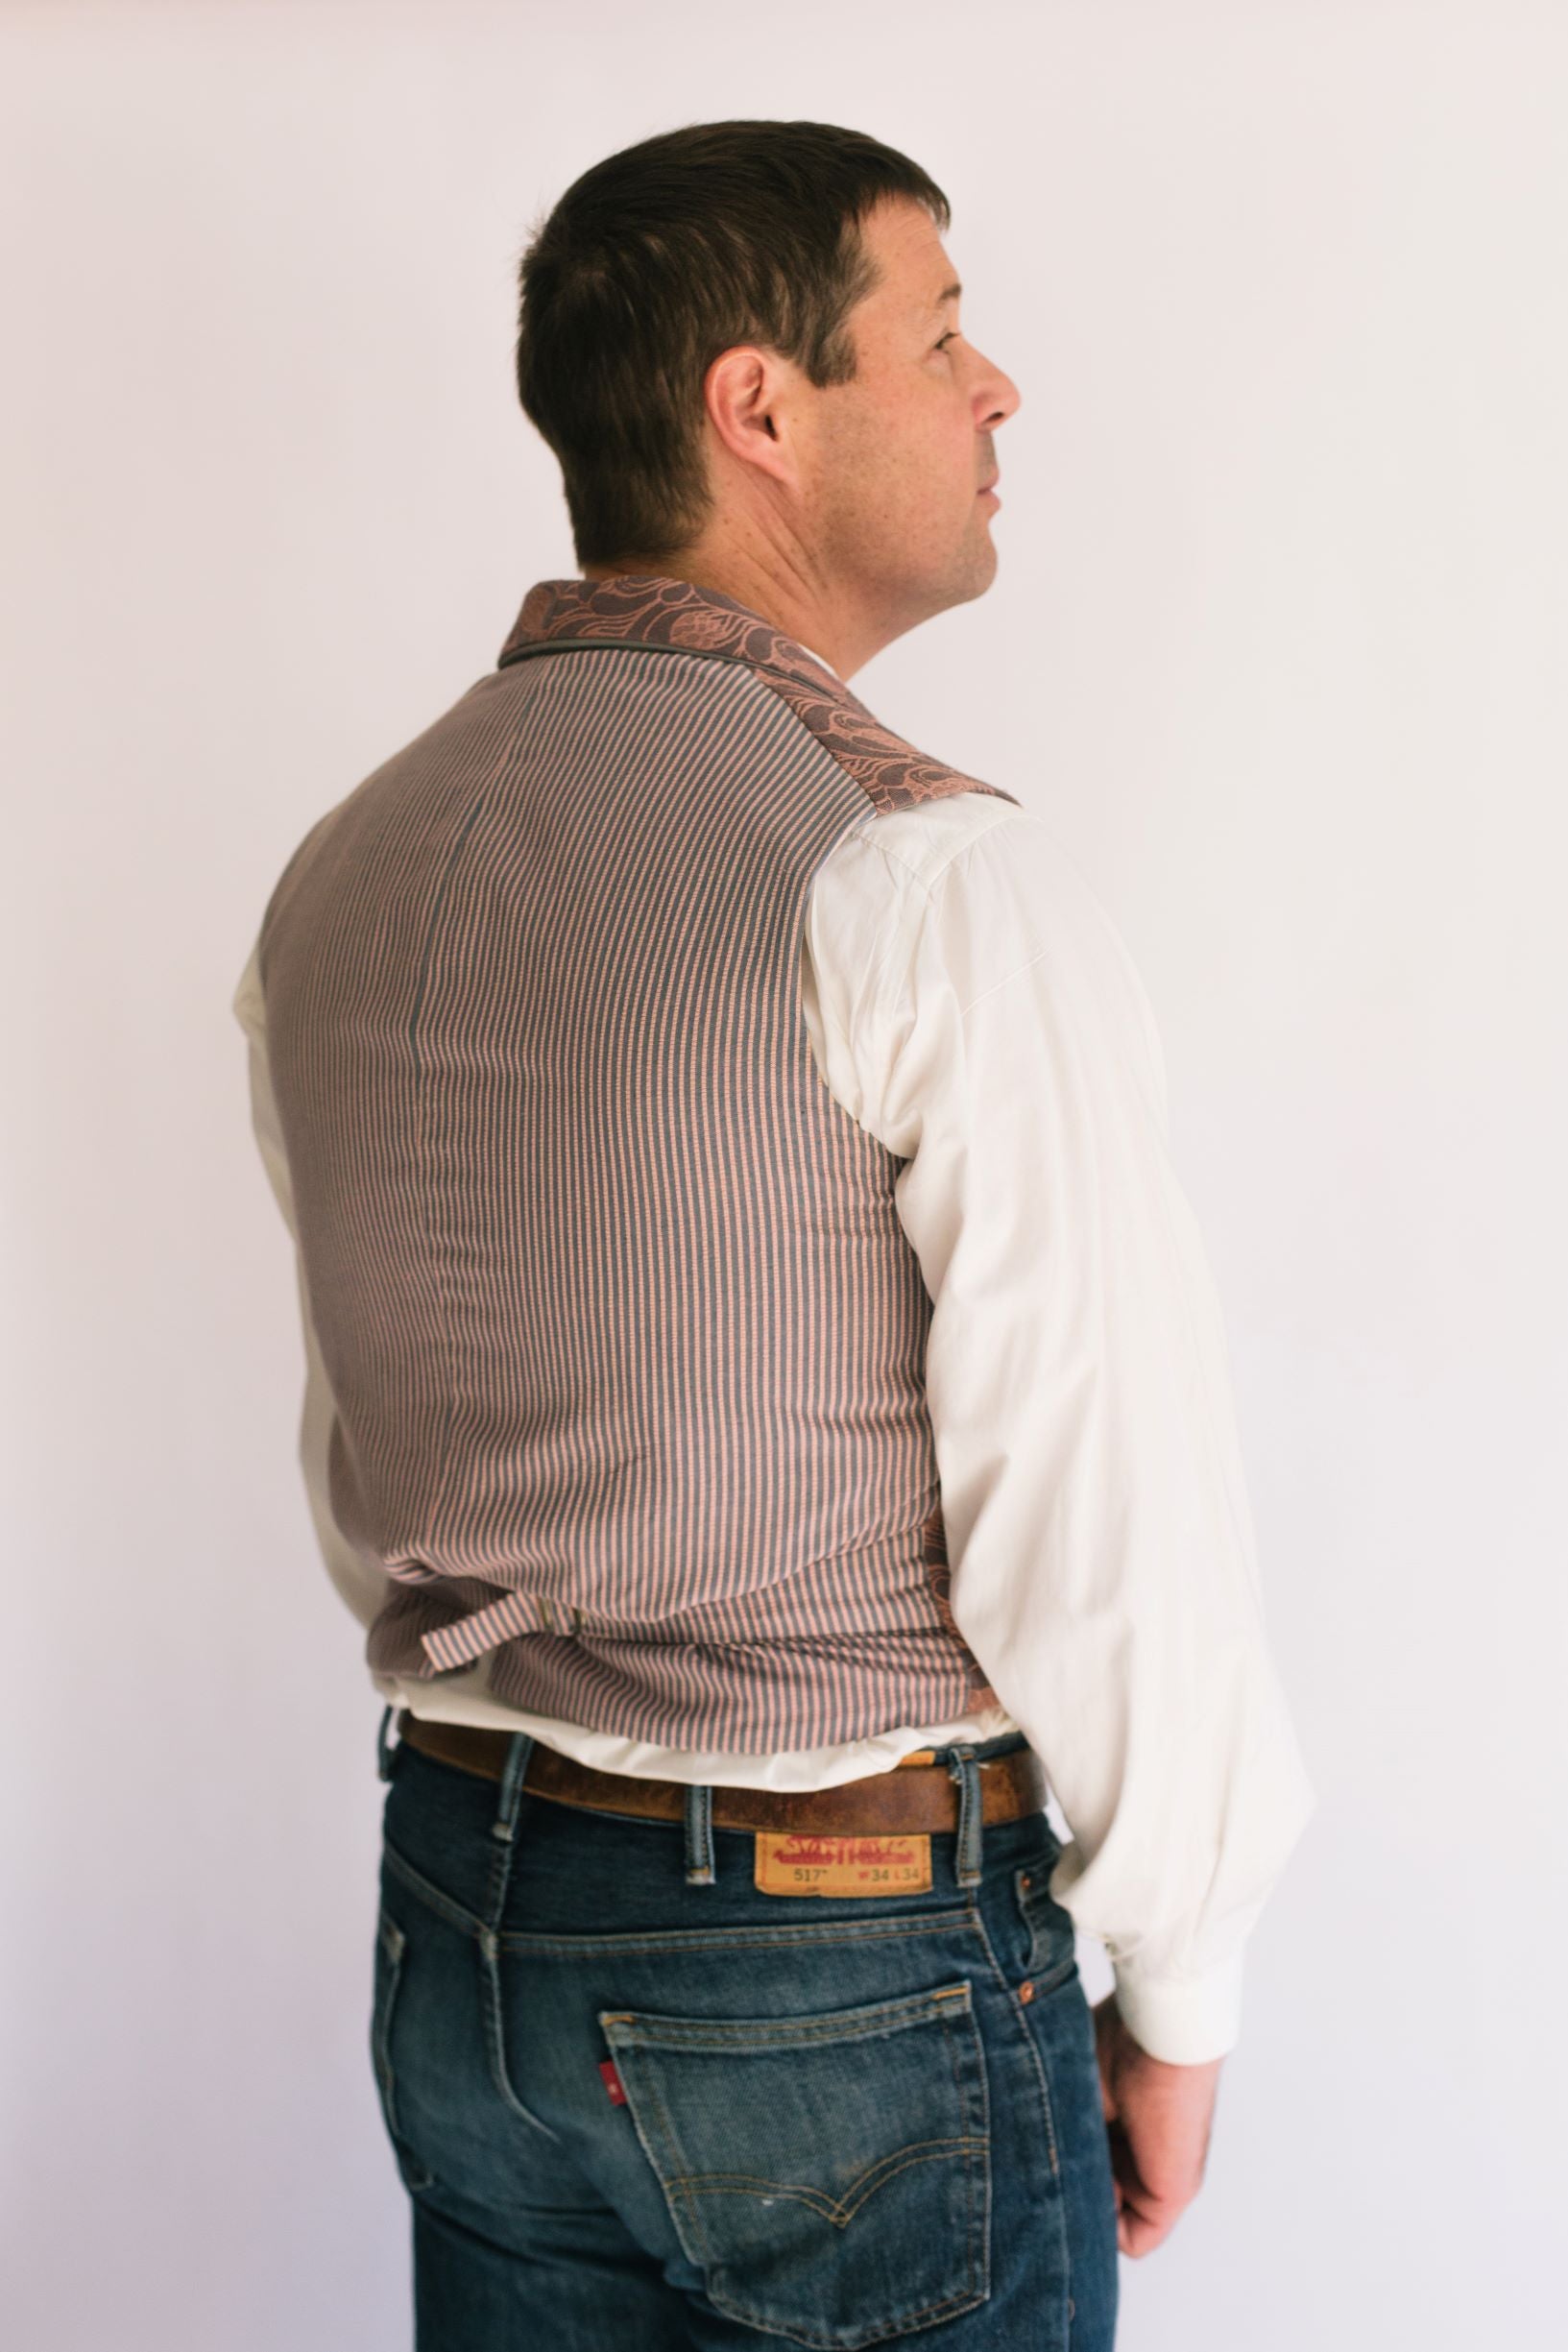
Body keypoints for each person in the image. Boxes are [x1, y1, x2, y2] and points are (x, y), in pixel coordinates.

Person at [231, 118, 1316, 2350]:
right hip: (841, 1966)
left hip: (466, 1927)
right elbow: (1103, 1512)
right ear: (760, 410)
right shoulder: (918, 875)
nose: (996, 386)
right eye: (937, 336)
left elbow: (376, 1451)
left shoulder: (342, 871)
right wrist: (1179, 1981)